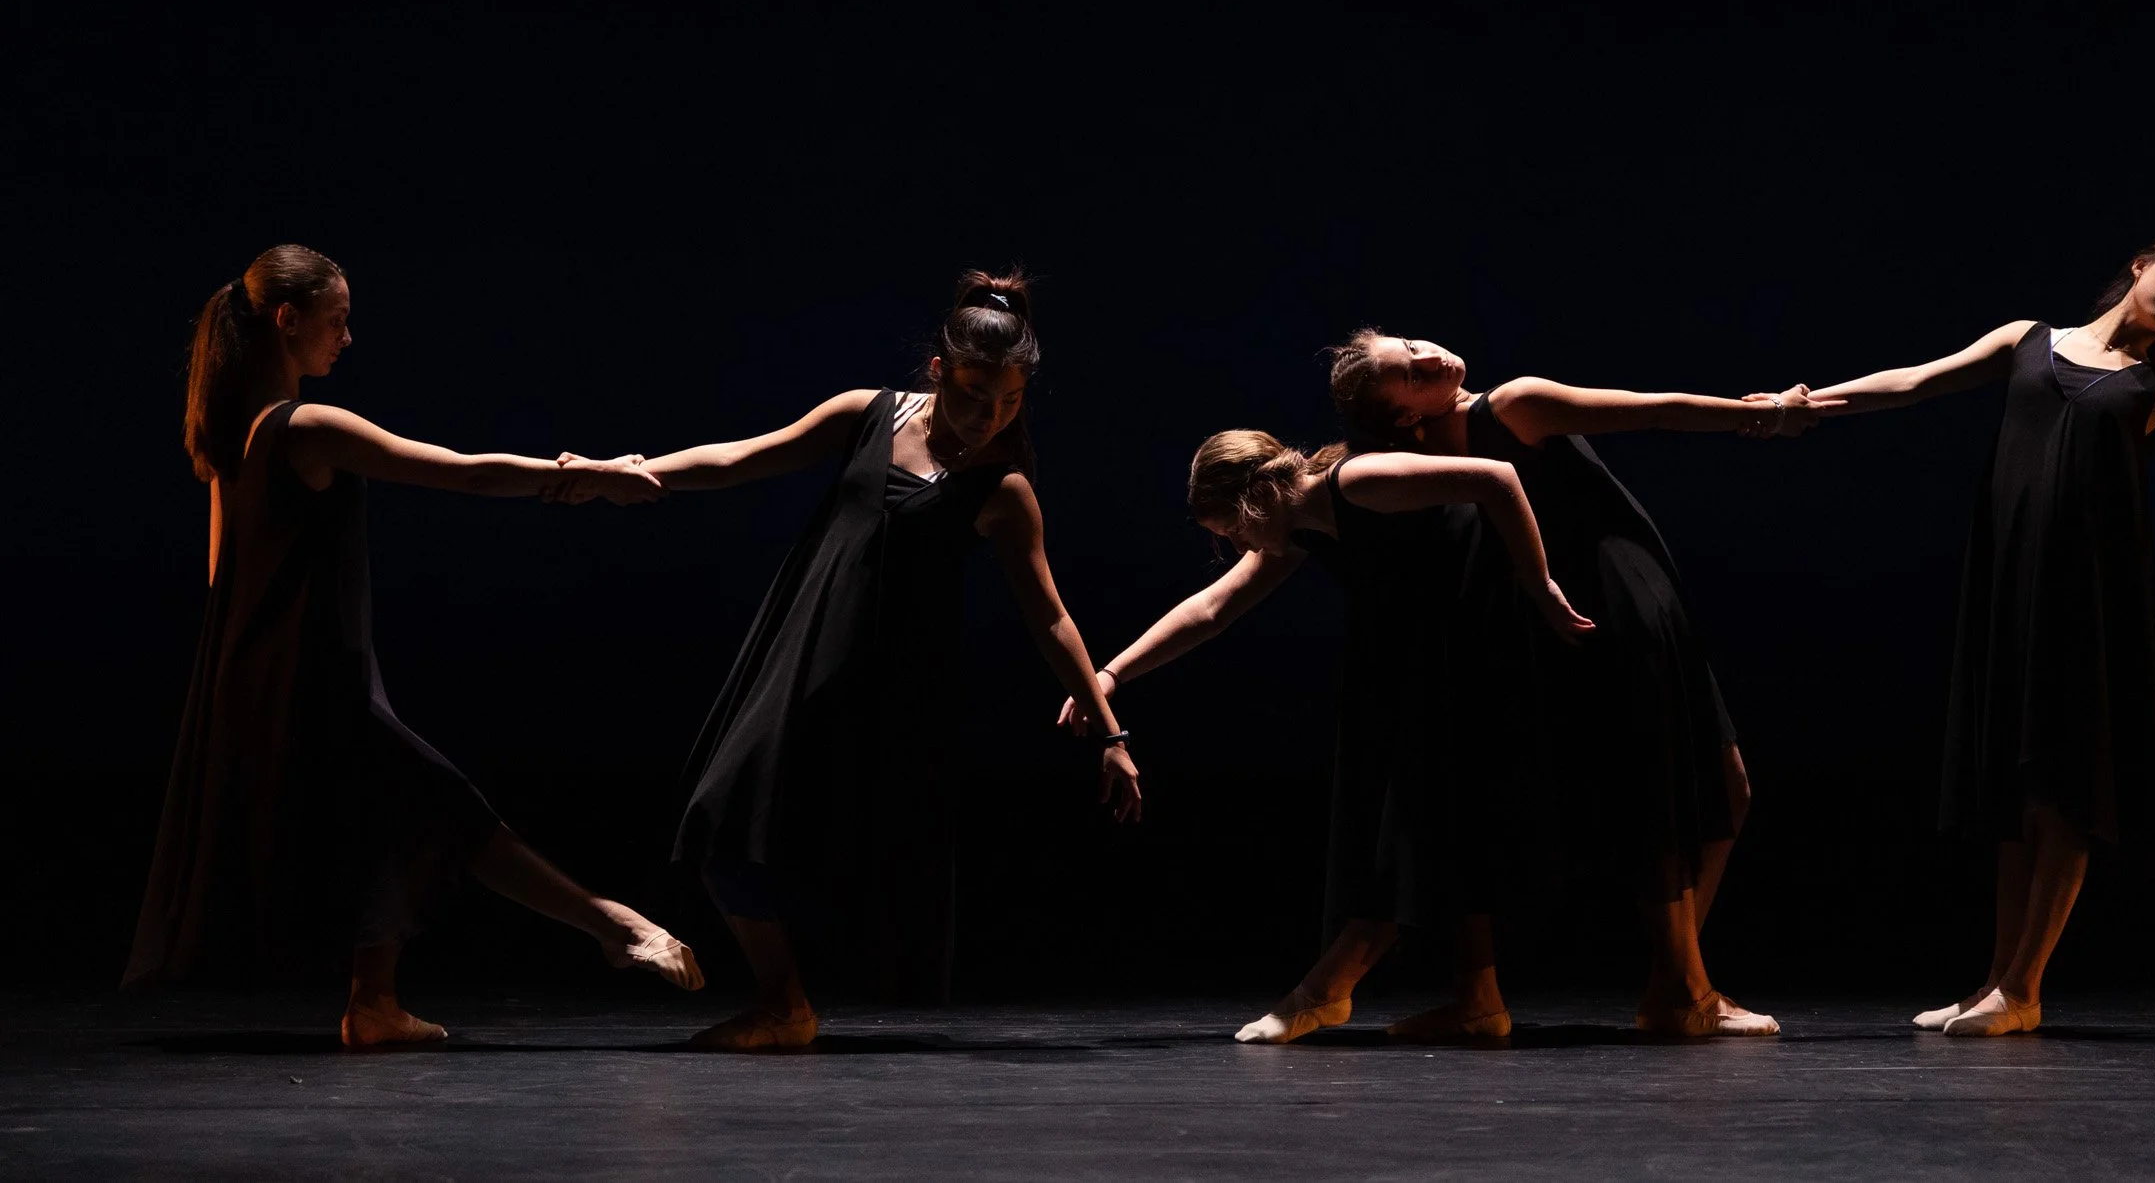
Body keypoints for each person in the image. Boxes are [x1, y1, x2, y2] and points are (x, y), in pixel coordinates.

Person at [1791, 168, 2155, 1037]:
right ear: (2142, 264)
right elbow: (1920, 380)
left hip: (2087, 600)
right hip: (2010, 585)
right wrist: (1811, 402)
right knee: (2009, 789)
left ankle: (2024, 984)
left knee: (2061, 789)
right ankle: (1996, 982)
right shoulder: (2030, 339)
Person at [127, 244, 703, 1049]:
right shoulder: (307, 426)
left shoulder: (233, 443)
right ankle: (613, 923)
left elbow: (221, 575)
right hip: (309, 682)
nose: (348, 338)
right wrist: (588, 477)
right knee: (446, 808)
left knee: (393, 816)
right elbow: (463, 473)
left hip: (264, 679)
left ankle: (374, 1001)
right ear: (289, 322)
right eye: (338, 320)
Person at [613, 272, 1139, 1050]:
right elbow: (748, 456)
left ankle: (785, 1004)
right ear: (936, 370)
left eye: (1009, 402)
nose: (988, 415)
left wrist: (1110, 734)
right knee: (722, 816)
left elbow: (1052, 618)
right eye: (971, 394)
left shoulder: (1003, 488)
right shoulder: (868, 414)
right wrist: (640, 471)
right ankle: (785, 1002)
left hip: (886, 691)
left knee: (818, 846)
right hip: (799, 654)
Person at [1324, 337, 1811, 1037]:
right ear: (1403, 417)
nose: (1433, 359)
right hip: (1611, 604)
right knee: (1679, 794)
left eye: (1413, 346)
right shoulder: (1512, 403)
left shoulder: (1443, 447)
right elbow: (1655, 411)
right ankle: (1680, 991)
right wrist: (1766, 414)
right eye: (1412, 373)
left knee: (1710, 789)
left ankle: (1676, 982)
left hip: (1588, 611)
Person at [1061, 427, 1593, 1045]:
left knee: (1415, 827)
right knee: (1439, 827)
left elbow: (1496, 478)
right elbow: (1212, 609)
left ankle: (1323, 992)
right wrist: (1110, 675)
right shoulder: (1301, 529)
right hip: (1430, 662)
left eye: (1232, 529)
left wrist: (1540, 583)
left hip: (1484, 648)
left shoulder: (1353, 483)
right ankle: (1478, 1003)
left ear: (1258, 495)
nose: (1233, 545)